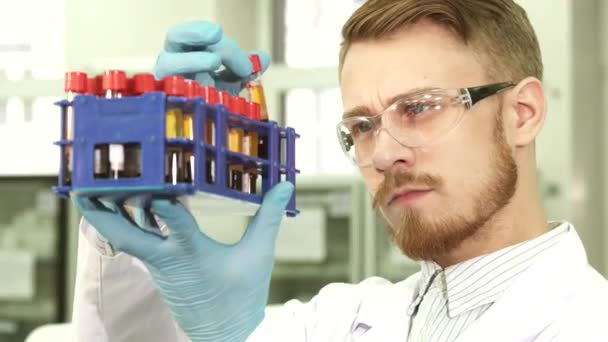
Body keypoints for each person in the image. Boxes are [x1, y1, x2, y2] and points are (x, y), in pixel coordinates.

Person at [71, 1, 608, 341]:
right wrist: (142, 164)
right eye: (363, 125)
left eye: (419, 108)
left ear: (523, 114)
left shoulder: (586, 324)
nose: (382, 155)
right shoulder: (344, 318)